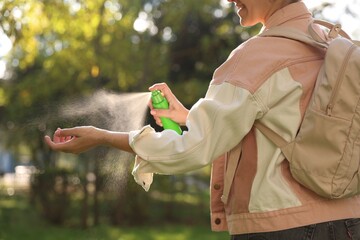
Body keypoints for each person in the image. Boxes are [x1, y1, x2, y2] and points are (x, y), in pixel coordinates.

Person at [45, 0, 360, 239]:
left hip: (281, 227)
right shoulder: (333, 44)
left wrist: (103, 137)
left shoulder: (255, 57)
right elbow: (287, 122)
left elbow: (191, 150)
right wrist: (186, 116)